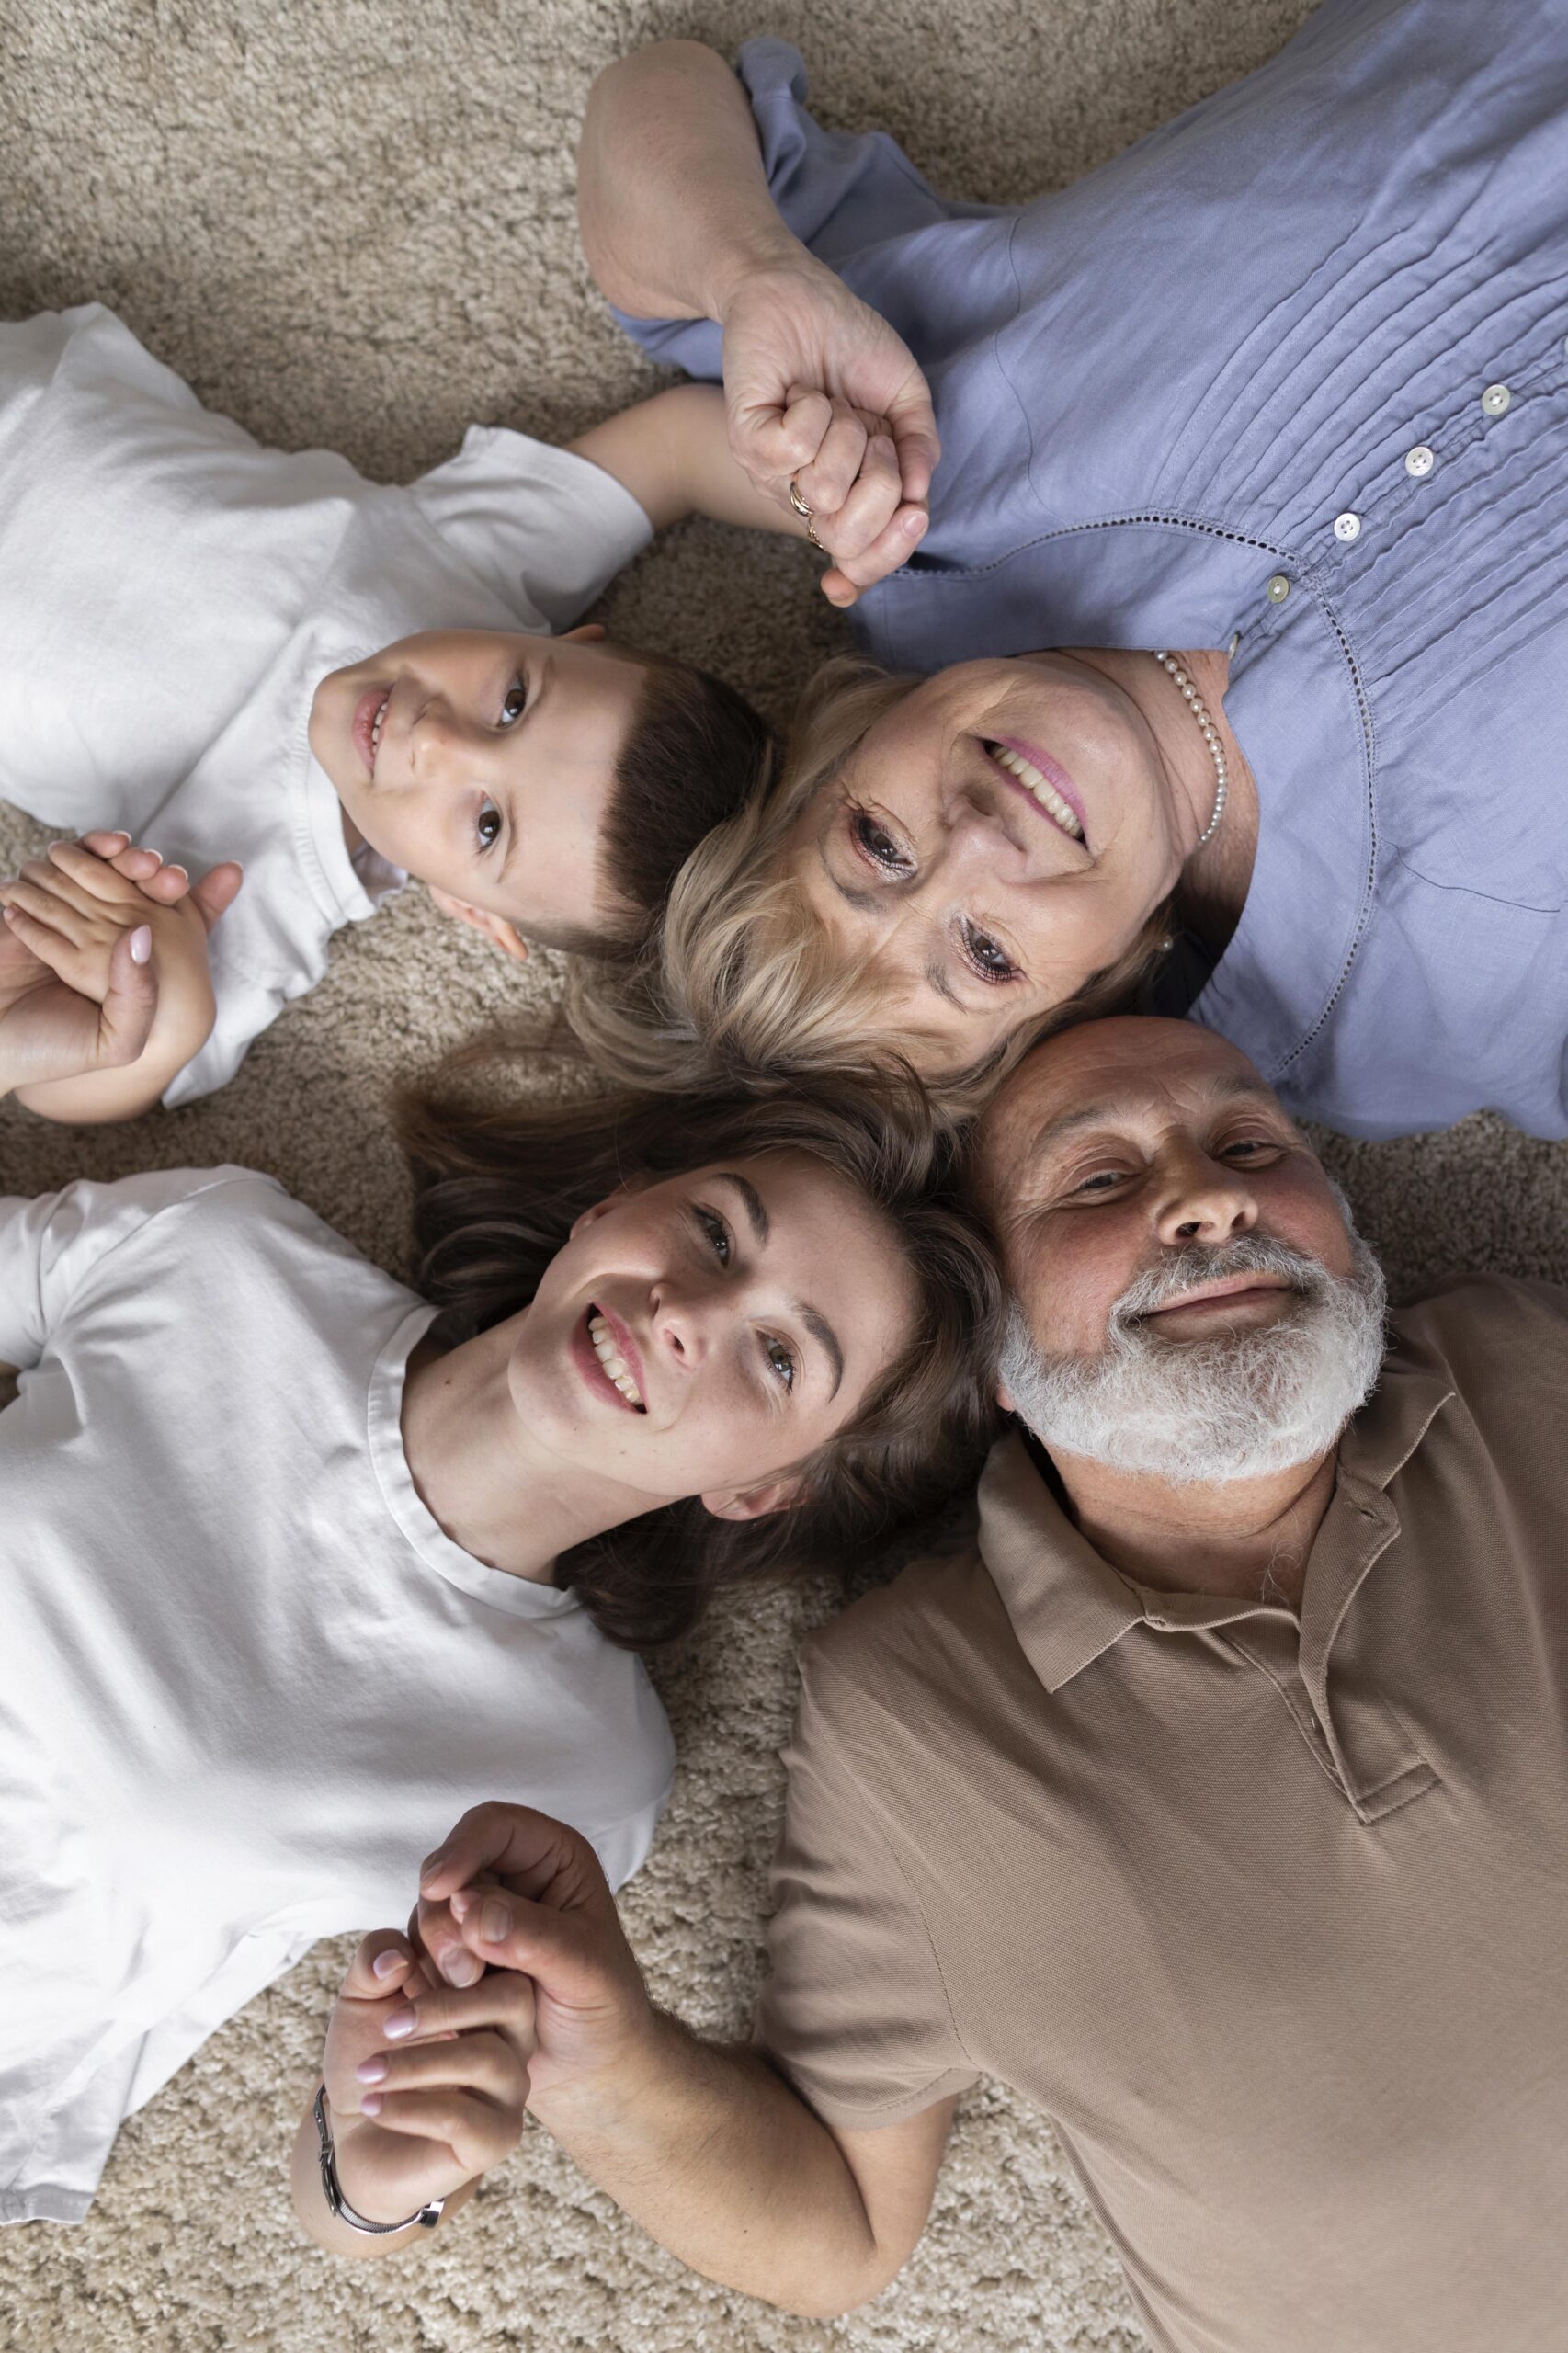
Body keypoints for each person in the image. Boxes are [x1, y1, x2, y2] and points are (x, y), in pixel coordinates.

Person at [306, 1016, 1568, 2351]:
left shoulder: (1521, 1365)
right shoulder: (913, 1714)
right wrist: (596, 2049)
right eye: (1095, 1182)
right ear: (995, 1359)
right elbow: (839, 2227)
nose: (1207, 1198)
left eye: (1251, 1143)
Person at [0, 911, 1000, 2225]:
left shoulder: (579, 1773)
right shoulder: (217, 1247)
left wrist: (374, 2181)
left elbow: (369, 2150)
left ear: (760, 1488)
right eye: (711, 1235)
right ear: (612, 1207)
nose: (685, 1318)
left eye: (776, 1357)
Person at [570, 8, 1568, 1138]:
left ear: (830, 757)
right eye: (985, 954)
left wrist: (749, 270)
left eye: (878, 845)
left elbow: (649, 110)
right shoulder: (1411, 1019)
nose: (976, 842)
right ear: (1083, 1011)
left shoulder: (919, 465)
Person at [0, 298, 888, 1119]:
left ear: (469, 910)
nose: (439, 741)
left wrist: (176, 1007)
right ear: (567, 642)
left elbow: (68, 1072)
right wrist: (851, 512)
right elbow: (678, 452)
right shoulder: (470, 575)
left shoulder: (259, 896)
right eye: (511, 702)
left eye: (489, 825)